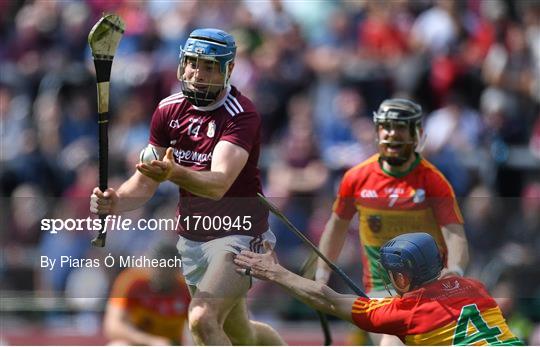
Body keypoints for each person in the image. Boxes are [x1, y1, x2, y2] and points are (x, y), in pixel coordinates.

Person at [91, 28, 284, 345]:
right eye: (193, 63)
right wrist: (115, 201)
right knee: (240, 334)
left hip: (239, 233)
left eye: (209, 67)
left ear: (229, 70)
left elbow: (218, 183)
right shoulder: (168, 110)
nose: (198, 73)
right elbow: (144, 183)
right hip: (193, 238)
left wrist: (174, 172)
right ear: (182, 64)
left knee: (202, 318)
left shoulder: (241, 114)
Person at [314, 98, 469, 344]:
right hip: (382, 291)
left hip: (429, 292)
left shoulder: (433, 181)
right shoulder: (356, 178)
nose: (391, 134)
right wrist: (322, 274)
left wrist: (456, 270)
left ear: (416, 134)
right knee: (392, 342)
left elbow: (455, 235)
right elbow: (336, 228)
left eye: (399, 127)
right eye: (386, 126)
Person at [234, 233, 524, 346]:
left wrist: (274, 272)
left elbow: (328, 300)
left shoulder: (404, 311)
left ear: (402, 277)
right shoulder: (474, 287)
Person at [104, 244, 191, 345]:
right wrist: (152, 341)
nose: (162, 272)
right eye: (158, 265)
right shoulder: (132, 282)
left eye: (168, 266)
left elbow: (200, 325)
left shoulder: (186, 289)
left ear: (177, 268)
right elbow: (112, 326)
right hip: (137, 342)